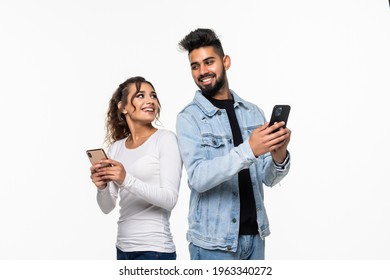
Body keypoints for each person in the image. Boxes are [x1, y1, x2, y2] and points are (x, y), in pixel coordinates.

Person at [176, 28, 291, 260]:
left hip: (256, 239)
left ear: (225, 62)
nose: (202, 71)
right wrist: (249, 149)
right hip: (213, 245)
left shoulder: (253, 113)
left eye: (209, 62)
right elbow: (198, 178)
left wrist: (279, 155)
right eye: (195, 66)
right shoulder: (189, 118)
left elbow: (268, 179)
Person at [89, 76, 182, 260]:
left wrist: (125, 179)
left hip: (155, 250)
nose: (150, 101)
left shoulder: (165, 139)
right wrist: (102, 188)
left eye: (153, 96)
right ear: (122, 107)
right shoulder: (117, 147)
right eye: (141, 95)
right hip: (123, 248)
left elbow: (170, 199)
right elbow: (107, 207)